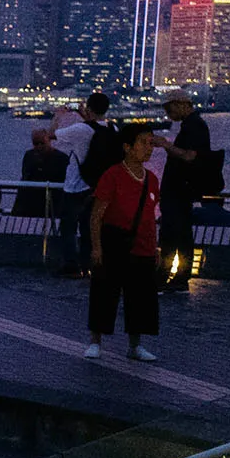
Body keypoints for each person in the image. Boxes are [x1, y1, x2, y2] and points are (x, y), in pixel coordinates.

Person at [85, 123, 162, 363]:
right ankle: (96, 342)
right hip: (115, 240)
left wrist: (155, 246)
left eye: (150, 143)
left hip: (144, 245)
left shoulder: (151, 179)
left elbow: (151, 214)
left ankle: (135, 345)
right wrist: (97, 247)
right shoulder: (113, 175)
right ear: (127, 147)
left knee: (140, 297)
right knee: (104, 292)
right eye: (142, 143)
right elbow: (97, 214)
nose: (148, 148)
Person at [51, 92, 116, 276]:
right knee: (91, 226)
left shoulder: (80, 129)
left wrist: (58, 116)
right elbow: (94, 127)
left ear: (88, 108)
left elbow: (50, 135)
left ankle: (71, 266)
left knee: (68, 227)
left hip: (76, 185)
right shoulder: (113, 129)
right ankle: (89, 265)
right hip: (99, 186)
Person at [153, 90, 211, 293]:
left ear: (181, 105)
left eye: (169, 108)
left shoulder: (194, 126)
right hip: (182, 189)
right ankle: (178, 278)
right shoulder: (193, 125)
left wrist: (165, 145)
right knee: (180, 234)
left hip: (179, 190)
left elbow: (189, 156)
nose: (168, 113)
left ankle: (167, 276)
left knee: (172, 234)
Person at [13, 127, 68, 219]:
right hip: (30, 203)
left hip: (51, 204)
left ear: (49, 141)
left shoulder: (61, 158)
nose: (39, 146)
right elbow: (26, 176)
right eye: (36, 143)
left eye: (42, 143)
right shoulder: (29, 155)